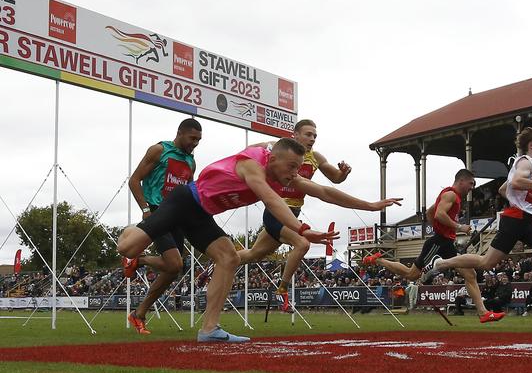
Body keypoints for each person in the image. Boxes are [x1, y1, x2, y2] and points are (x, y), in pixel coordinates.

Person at [117, 138, 401, 342]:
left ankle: (209, 330)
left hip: (201, 213)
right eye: (291, 167)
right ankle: (134, 229)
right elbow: (270, 199)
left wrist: (371, 205)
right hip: (183, 201)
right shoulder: (252, 165)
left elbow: (323, 192)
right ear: (274, 159)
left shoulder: (282, 173)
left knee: (228, 257)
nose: (294, 174)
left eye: (297, 169)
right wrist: (301, 229)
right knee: (127, 247)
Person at [429, 127, 532, 318]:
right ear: (531, 145)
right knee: (485, 263)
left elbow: (503, 189)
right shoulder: (526, 163)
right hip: (515, 221)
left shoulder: (526, 164)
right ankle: (443, 263)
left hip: (525, 220)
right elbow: (516, 183)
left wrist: (530, 204)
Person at [362, 169, 505, 323]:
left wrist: (439, 227)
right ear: (461, 181)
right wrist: (458, 227)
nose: (472, 187)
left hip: (446, 242)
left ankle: (483, 312)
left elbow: (431, 212)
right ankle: (378, 260)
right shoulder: (451, 195)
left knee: (470, 274)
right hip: (438, 243)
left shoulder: (450, 195)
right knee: (412, 275)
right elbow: (438, 214)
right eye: (471, 183)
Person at [238, 119, 352, 311]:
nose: (312, 139)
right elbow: (249, 150)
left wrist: (344, 173)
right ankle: (281, 291)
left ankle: (223, 259)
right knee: (302, 243)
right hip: (276, 211)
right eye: (308, 134)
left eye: (315, 135)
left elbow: (335, 179)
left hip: (294, 213)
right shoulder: (278, 148)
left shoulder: (315, 157)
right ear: (295, 135)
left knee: (254, 254)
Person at [123, 118, 202, 334]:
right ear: (180, 133)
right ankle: (137, 262)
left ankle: (138, 313)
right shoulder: (159, 150)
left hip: (177, 216)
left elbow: (188, 190)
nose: (195, 143)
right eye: (192, 138)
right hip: (158, 211)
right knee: (174, 263)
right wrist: (146, 210)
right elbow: (134, 180)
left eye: (198, 140)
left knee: (173, 269)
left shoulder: (190, 161)